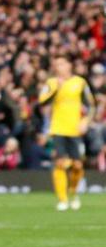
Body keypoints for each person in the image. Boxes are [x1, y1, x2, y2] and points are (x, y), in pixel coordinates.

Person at [38, 55, 94, 210]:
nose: (58, 67)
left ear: (69, 65)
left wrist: (85, 122)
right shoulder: (51, 83)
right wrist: (56, 89)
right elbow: (41, 101)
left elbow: (91, 105)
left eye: (61, 64)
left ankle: (73, 191)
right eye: (56, 64)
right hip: (57, 129)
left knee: (77, 166)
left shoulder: (80, 82)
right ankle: (62, 199)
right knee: (60, 163)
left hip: (74, 130)